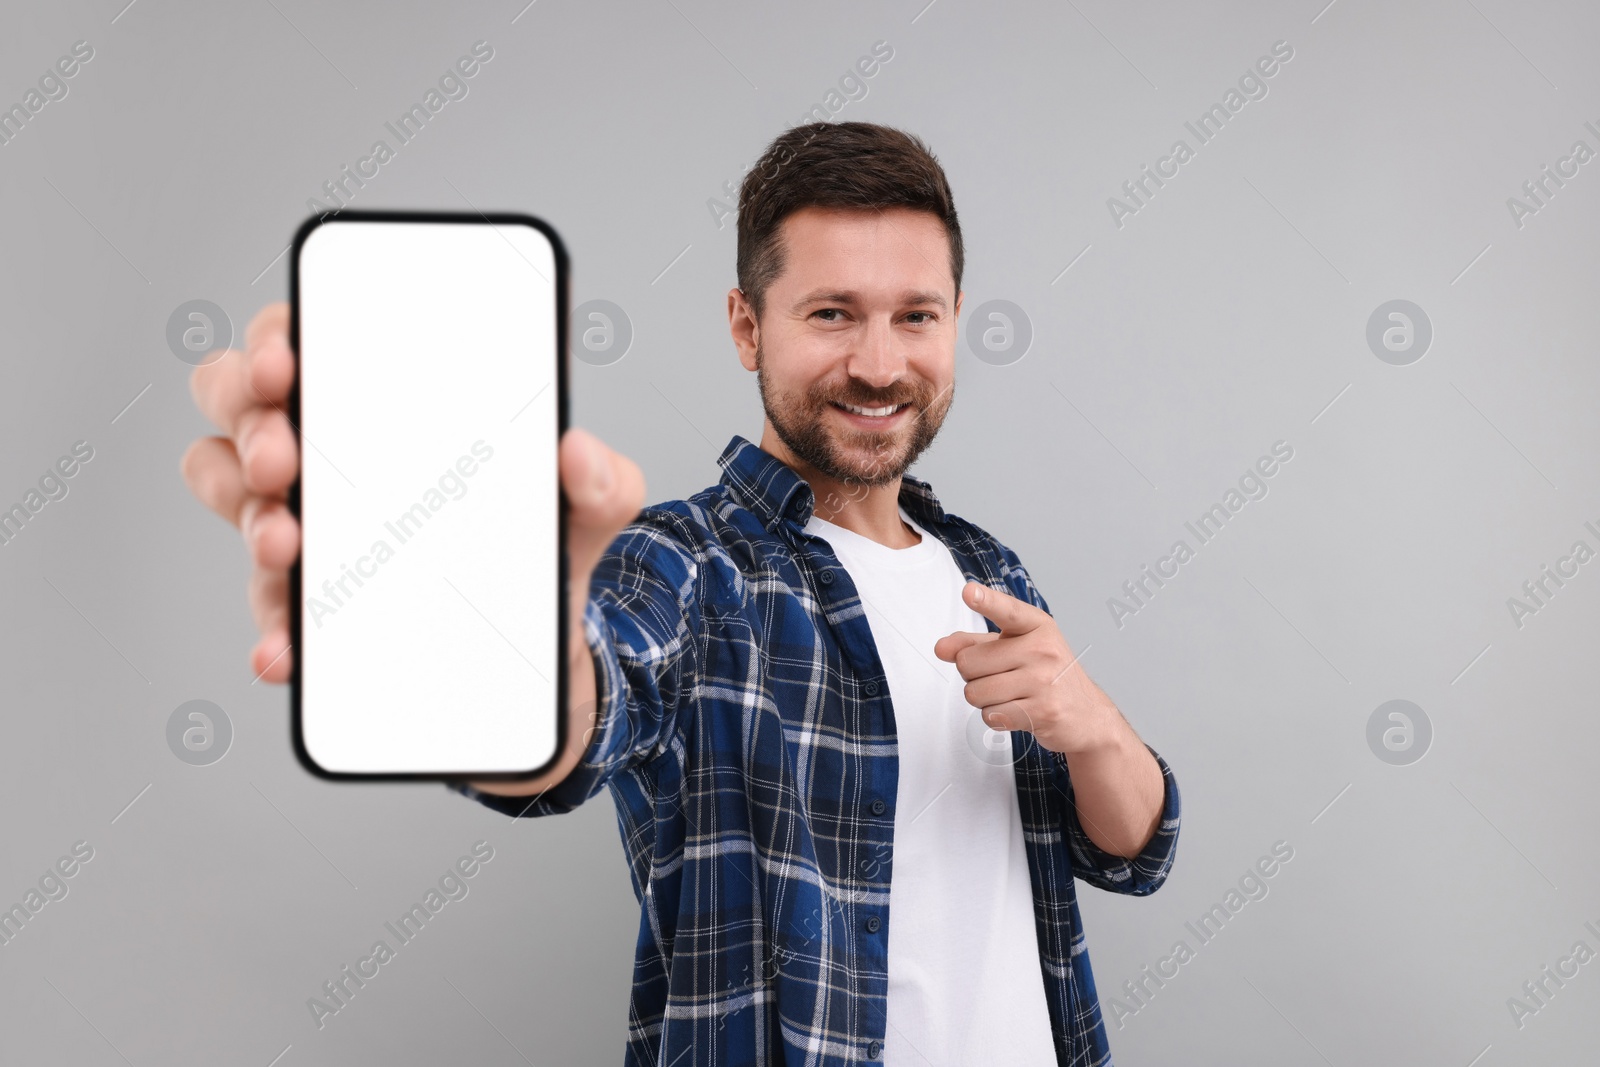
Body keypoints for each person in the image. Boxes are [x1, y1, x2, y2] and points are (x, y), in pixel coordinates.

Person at [182, 121, 1180, 1066]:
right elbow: (567, 734)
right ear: (747, 325)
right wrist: (463, 623)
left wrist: (1091, 723)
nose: (879, 363)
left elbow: (1134, 850)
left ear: (954, 319)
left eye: (914, 316)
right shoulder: (685, 562)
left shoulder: (990, 571)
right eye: (830, 313)